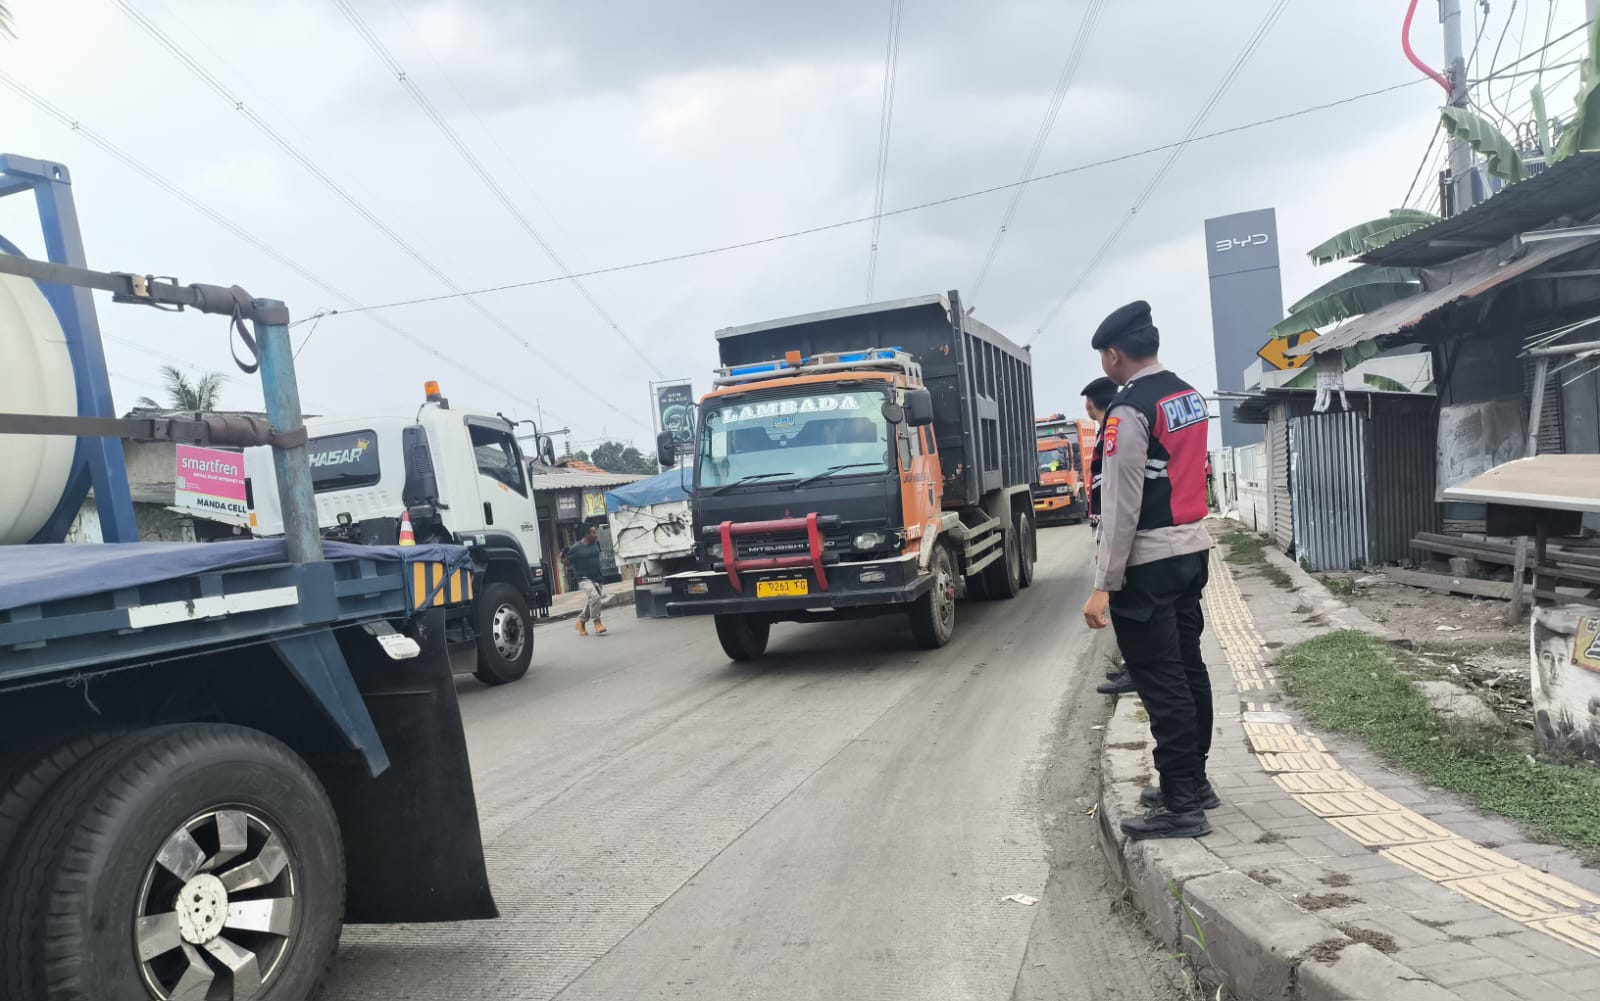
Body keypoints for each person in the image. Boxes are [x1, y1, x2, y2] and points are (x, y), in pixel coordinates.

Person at [1080, 300, 1216, 841]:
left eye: (1103, 356)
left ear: (1114, 355)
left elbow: (1120, 506)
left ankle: (1182, 805)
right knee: (1189, 669)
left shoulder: (1129, 410)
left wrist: (1103, 585)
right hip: (1192, 550)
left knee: (1162, 682)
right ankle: (1195, 783)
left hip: (1150, 563)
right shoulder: (1187, 395)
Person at [564, 524, 608, 636]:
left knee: (592, 601)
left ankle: (581, 622)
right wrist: (565, 557)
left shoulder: (596, 544)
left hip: (597, 578)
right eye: (593, 533)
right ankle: (597, 623)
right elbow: (566, 562)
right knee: (595, 597)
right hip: (584, 579)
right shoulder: (576, 548)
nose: (596, 534)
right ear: (586, 534)